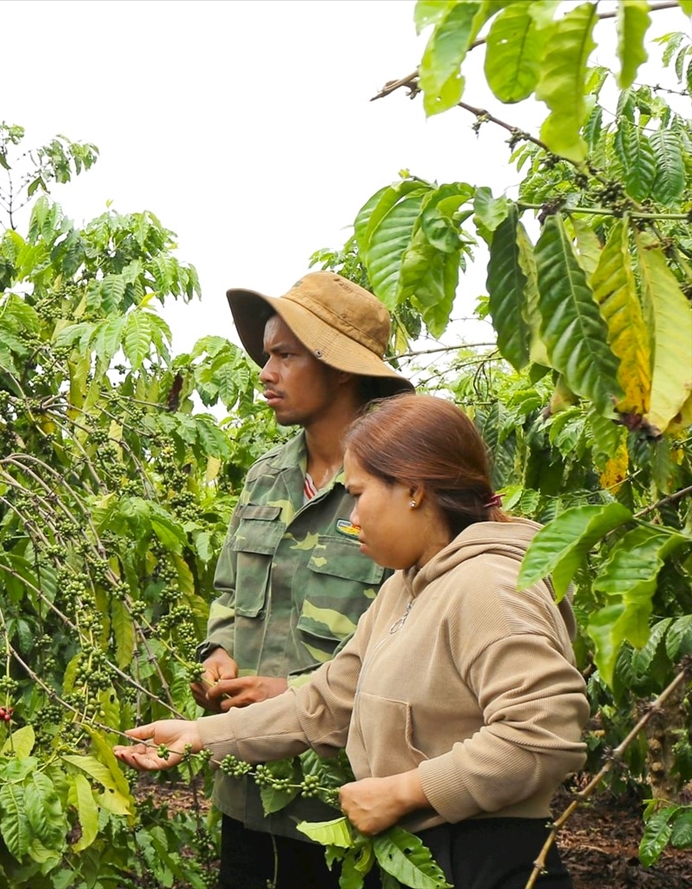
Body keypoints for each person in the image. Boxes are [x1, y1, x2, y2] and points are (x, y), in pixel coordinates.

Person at [117, 394, 589, 889]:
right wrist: (200, 736)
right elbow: (323, 703)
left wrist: (405, 791)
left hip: (482, 860)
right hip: (421, 855)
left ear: (412, 489)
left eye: (360, 494)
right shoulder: (403, 587)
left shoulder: (487, 586)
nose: (351, 518)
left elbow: (544, 734)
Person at [187, 271, 413, 888]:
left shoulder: (403, 488)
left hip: (347, 796)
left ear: (340, 368)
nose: (266, 373)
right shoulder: (264, 477)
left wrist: (299, 693)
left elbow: (419, 636)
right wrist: (220, 652)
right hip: (248, 784)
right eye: (266, 355)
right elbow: (230, 591)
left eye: (285, 355)